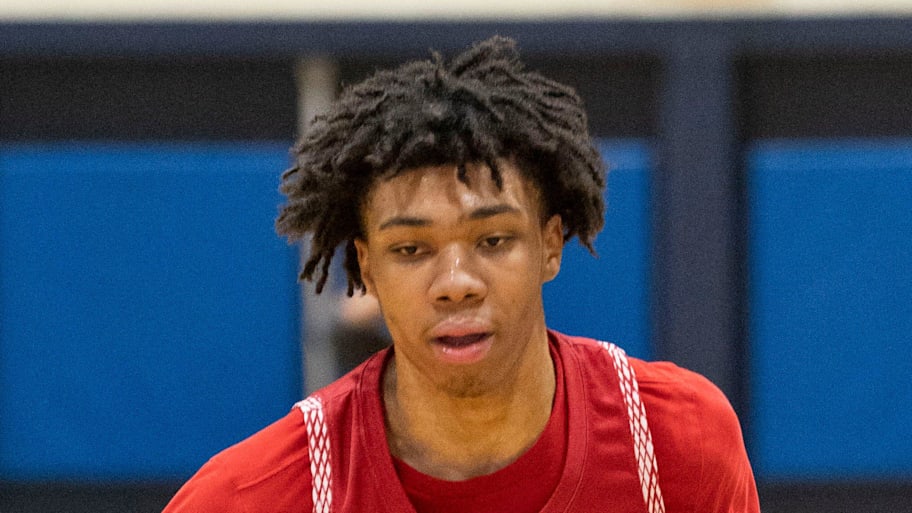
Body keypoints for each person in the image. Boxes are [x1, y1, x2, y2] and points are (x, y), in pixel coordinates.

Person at [163, 36, 760, 513]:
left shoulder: (679, 443)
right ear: (367, 268)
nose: (456, 282)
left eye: (493, 240)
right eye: (411, 249)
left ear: (550, 246)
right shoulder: (251, 497)